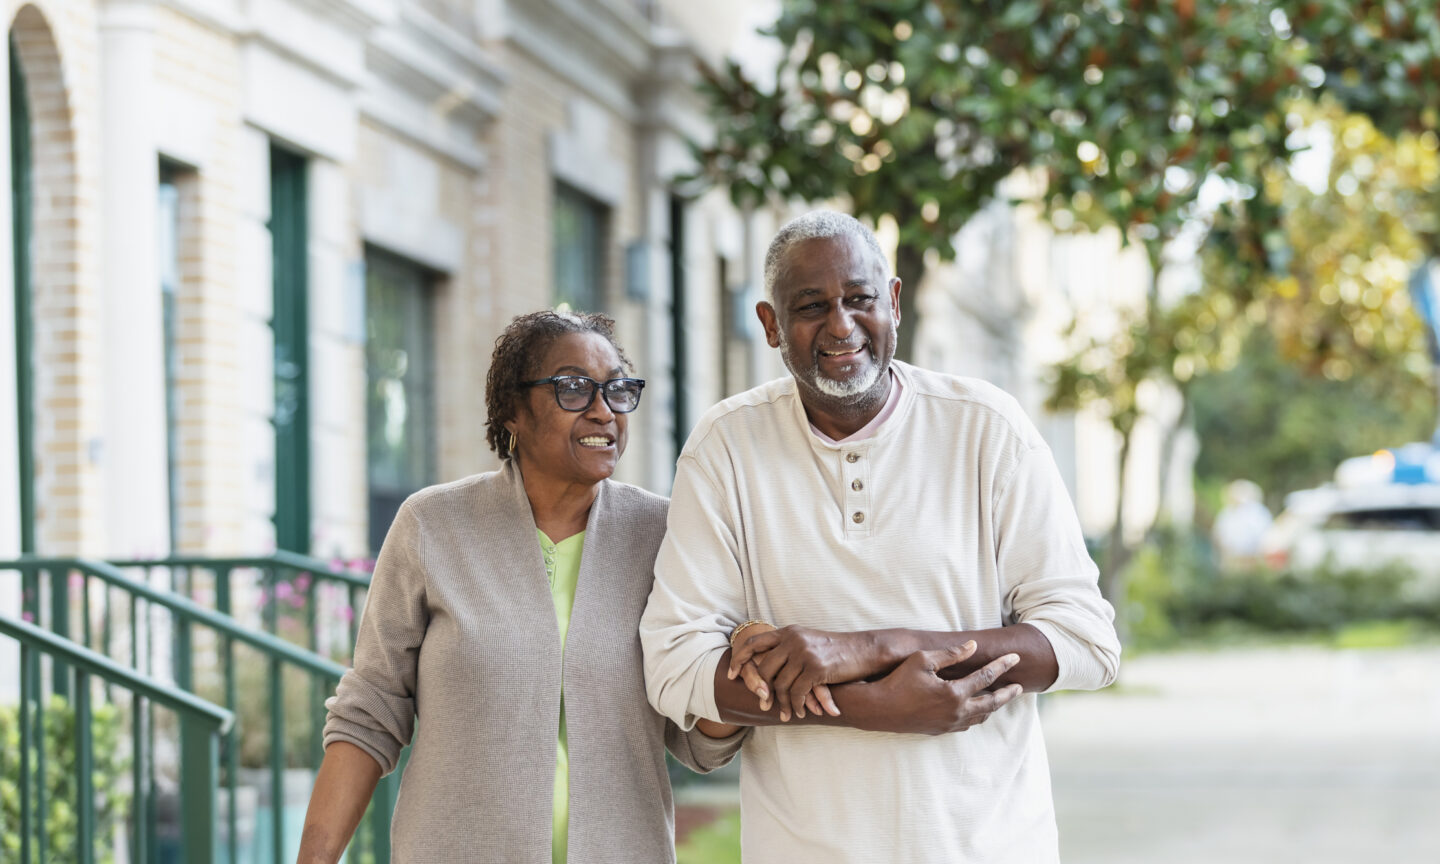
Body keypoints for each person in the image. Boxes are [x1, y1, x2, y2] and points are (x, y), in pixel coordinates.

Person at [640, 211, 1121, 863]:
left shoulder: (986, 429)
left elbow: (1085, 641)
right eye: (811, 306)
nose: (840, 325)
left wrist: (867, 647)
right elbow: (675, 668)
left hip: (987, 845)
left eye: (859, 299)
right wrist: (874, 705)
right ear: (770, 324)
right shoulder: (725, 448)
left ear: (892, 301)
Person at [298, 310, 745, 864]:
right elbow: (371, 710)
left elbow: (697, 736)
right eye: (574, 389)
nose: (603, 410)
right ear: (513, 410)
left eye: (618, 389)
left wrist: (742, 676)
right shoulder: (432, 526)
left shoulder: (664, 536)